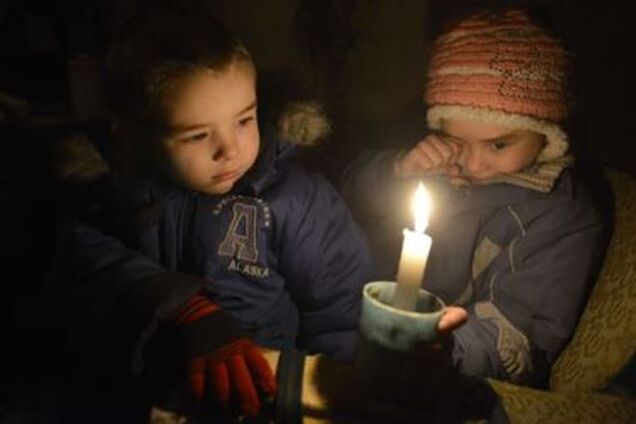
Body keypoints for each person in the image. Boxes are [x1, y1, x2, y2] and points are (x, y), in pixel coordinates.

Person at [39, 4, 373, 423]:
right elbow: (84, 266)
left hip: (264, 402)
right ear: (135, 134)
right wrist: (184, 307)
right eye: (198, 134)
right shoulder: (111, 192)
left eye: (244, 119)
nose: (230, 150)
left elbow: (341, 311)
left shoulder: (297, 200)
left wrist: (329, 397)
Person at [342, 7, 610, 388]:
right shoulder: (437, 163)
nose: (475, 163)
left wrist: (441, 348)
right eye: (457, 142)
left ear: (546, 132)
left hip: (444, 365)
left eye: (499, 144)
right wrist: (398, 172)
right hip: (347, 314)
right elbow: (349, 194)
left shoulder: (562, 214)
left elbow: (517, 335)